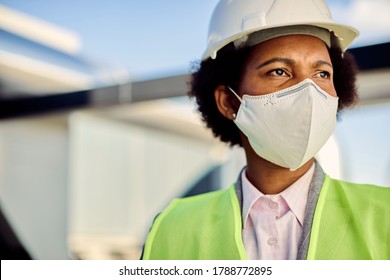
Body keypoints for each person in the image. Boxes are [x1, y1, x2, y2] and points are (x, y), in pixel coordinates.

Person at [142, 0, 390, 260]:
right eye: (279, 71)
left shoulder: (383, 214)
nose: (309, 92)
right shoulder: (172, 229)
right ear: (228, 102)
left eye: (322, 74)